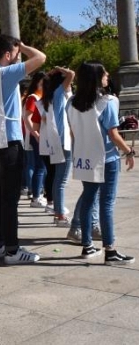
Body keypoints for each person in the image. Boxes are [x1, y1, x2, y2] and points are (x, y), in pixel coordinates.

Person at [0, 35, 46, 264]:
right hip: (8, 141)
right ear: (8, 55)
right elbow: (40, 58)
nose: (18, 58)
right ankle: (12, 250)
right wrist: (23, 46)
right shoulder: (6, 72)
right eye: (15, 54)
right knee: (10, 199)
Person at [66, 61, 135, 263]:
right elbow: (113, 134)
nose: (107, 76)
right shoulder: (108, 101)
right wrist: (129, 151)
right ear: (97, 78)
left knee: (88, 199)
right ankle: (110, 249)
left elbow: (72, 131)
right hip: (106, 156)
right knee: (106, 203)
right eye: (104, 74)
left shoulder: (71, 103)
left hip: (84, 156)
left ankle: (87, 245)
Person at [38, 67, 74, 226]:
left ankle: (58, 212)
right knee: (61, 180)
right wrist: (57, 69)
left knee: (58, 179)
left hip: (56, 141)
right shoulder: (60, 92)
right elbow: (72, 73)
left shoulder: (50, 96)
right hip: (64, 141)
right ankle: (60, 215)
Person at [22, 70, 47, 207]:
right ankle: (36, 195)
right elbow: (27, 118)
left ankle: (38, 193)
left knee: (41, 166)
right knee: (39, 166)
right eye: (42, 83)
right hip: (36, 136)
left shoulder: (41, 98)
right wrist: (35, 134)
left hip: (39, 135)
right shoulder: (33, 98)